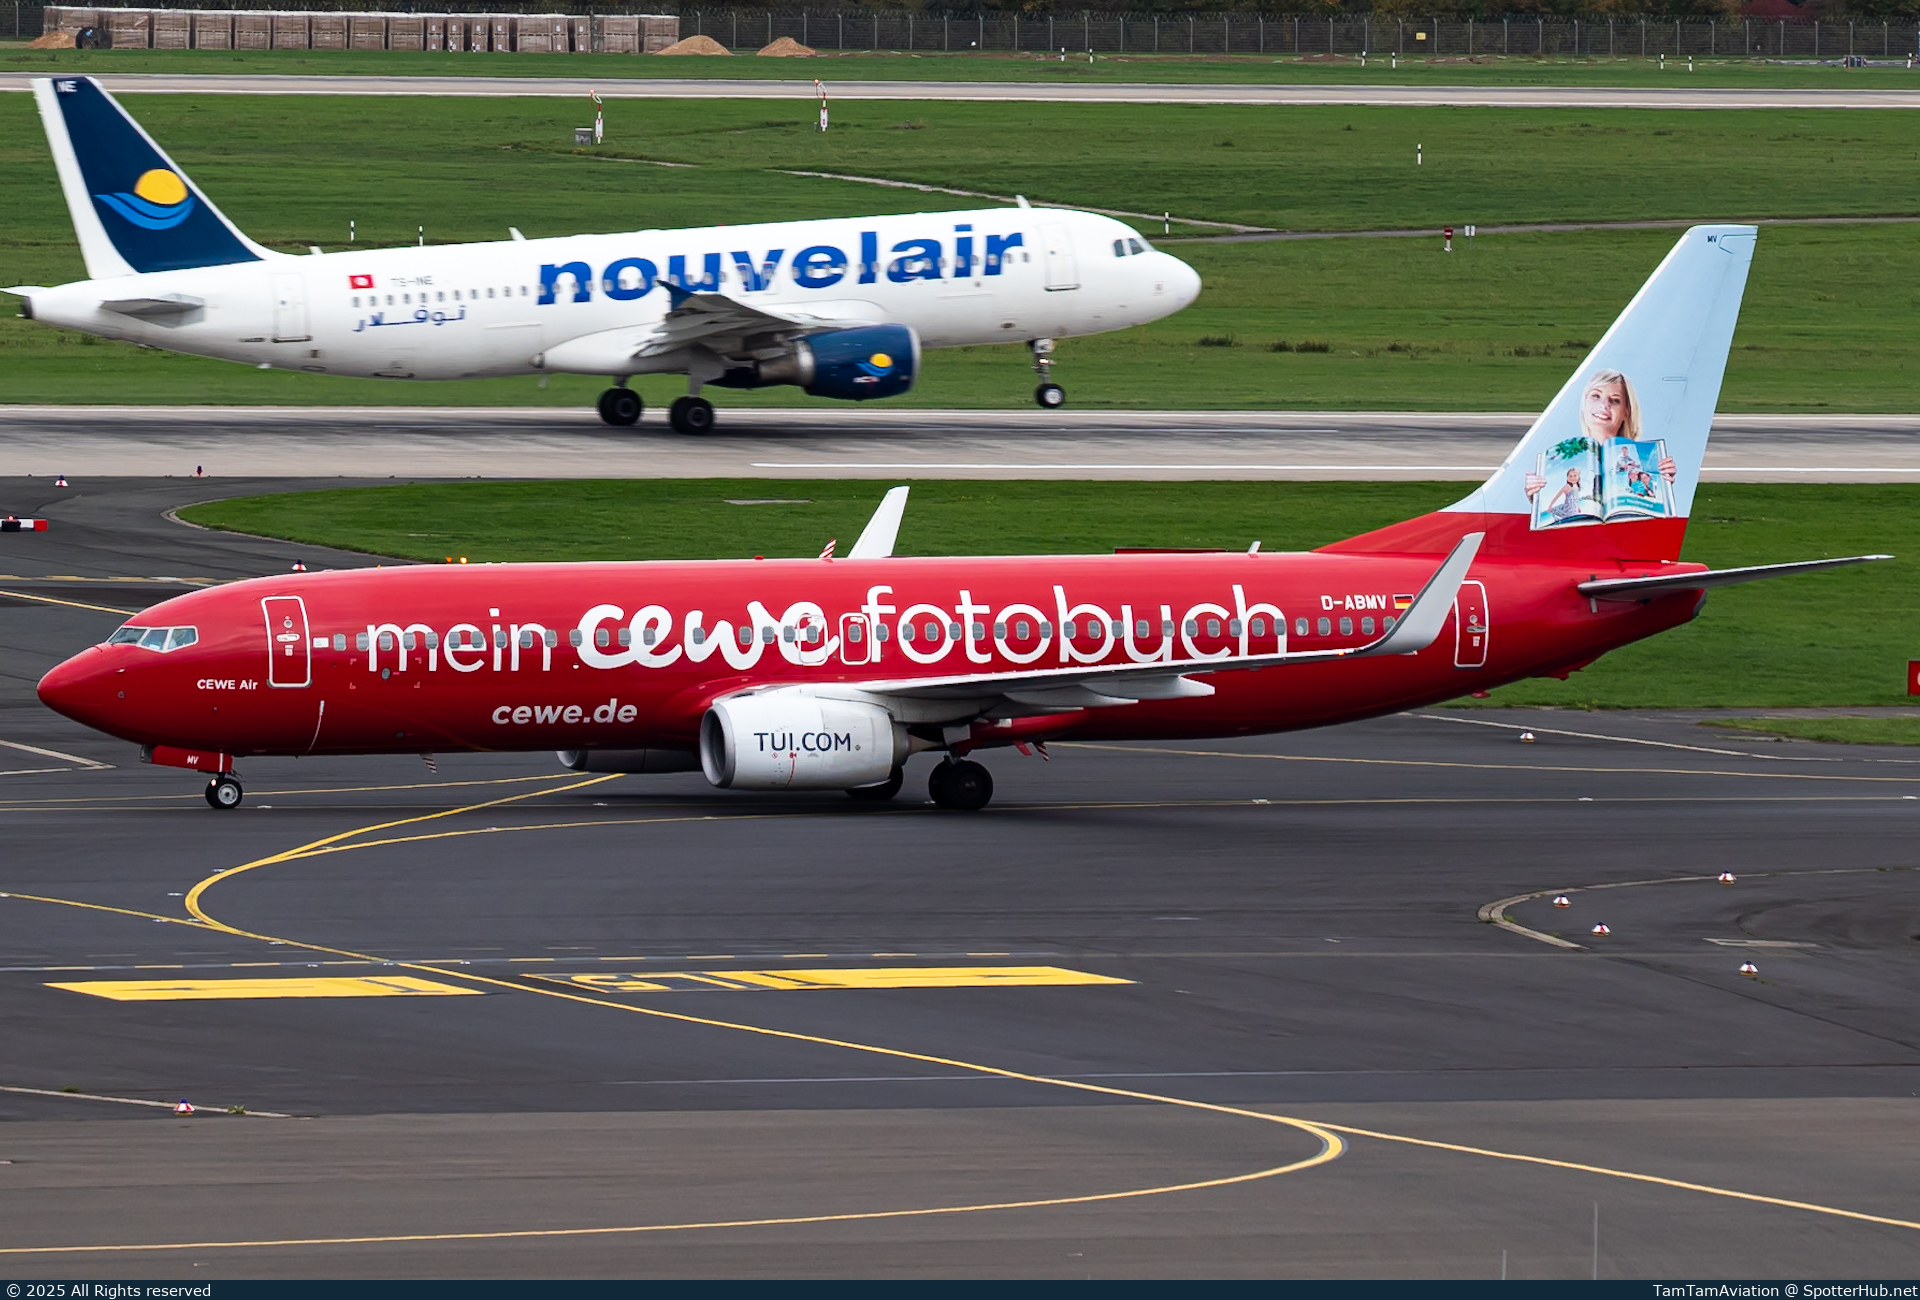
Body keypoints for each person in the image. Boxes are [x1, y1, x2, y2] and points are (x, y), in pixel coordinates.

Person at [1525, 369, 1676, 503]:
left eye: (1615, 400)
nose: (1604, 405)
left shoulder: (1647, 458)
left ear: (1626, 412)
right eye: (1596, 396)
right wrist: (1537, 497)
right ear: (1584, 404)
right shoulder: (1560, 458)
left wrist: (1662, 484)